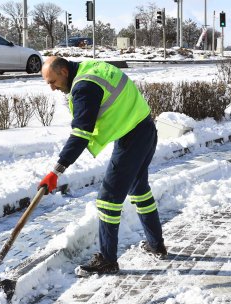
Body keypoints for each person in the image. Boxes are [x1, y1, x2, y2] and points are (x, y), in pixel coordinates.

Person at [38, 56, 166, 277]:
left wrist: (56, 171)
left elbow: (80, 134)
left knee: (107, 200)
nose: (52, 88)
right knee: (139, 189)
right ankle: (157, 245)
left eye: (52, 81)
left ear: (64, 72)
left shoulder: (84, 87)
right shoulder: (89, 68)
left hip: (132, 136)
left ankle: (107, 259)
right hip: (144, 127)